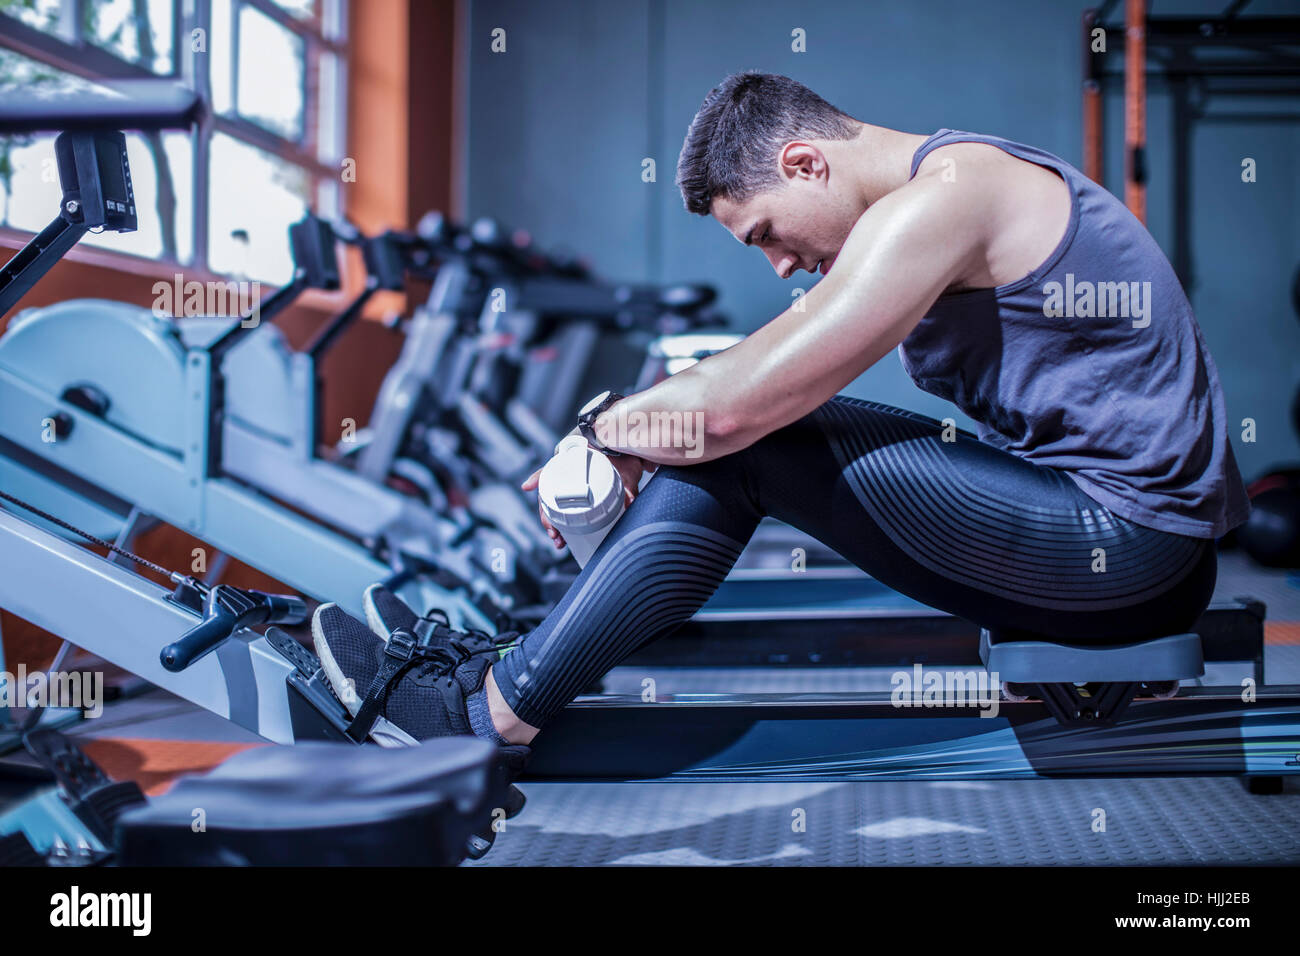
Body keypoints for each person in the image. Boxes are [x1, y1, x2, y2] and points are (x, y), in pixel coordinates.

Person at [312, 71, 1248, 760]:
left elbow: (740, 407)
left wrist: (601, 433)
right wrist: (646, 422)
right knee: (733, 430)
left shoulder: (942, 203)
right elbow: (752, 368)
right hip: (1127, 545)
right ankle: (521, 665)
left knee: (746, 444)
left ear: (805, 163)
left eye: (764, 233)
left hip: (1131, 553)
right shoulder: (941, 193)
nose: (780, 264)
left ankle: (488, 713)